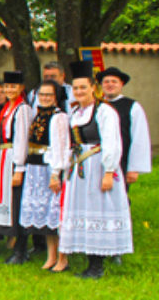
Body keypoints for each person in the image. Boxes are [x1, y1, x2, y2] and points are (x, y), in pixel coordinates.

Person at [60, 61, 132, 279]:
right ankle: (90, 260)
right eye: (76, 88)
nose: (79, 91)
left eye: (83, 87)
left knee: (98, 211)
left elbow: (112, 142)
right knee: (85, 211)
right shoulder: (76, 112)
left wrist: (109, 172)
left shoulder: (104, 112)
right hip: (81, 168)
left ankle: (97, 266)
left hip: (98, 166)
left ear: (93, 87)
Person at [19, 80, 70, 271]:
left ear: (56, 97)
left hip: (50, 168)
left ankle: (63, 258)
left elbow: (60, 146)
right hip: (35, 168)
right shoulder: (38, 114)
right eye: (42, 95)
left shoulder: (59, 117)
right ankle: (50, 256)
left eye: (49, 95)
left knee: (56, 214)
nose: (45, 98)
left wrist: (56, 173)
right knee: (46, 215)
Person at [0, 71, 33, 265]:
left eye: (13, 87)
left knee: (17, 203)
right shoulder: (7, 108)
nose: (9, 90)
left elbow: (21, 139)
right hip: (4, 156)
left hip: (14, 158)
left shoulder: (22, 109)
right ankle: (14, 245)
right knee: (9, 203)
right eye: (7, 86)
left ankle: (21, 249)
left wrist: (19, 168)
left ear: (20, 88)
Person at [97, 67, 152, 193]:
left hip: (122, 159)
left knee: (119, 195)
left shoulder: (132, 106)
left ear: (121, 84)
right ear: (101, 85)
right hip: (98, 159)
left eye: (114, 81)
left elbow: (139, 137)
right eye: (106, 81)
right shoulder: (97, 106)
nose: (110, 84)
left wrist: (134, 168)